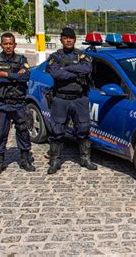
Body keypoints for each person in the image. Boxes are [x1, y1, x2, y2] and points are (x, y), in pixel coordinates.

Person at [46, 27, 97, 174]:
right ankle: (55, 160)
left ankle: (85, 158)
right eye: (65, 37)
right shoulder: (54, 57)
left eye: (71, 38)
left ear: (75, 40)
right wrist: (74, 70)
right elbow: (57, 74)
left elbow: (86, 69)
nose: (68, 40)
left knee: (83, 129)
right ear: (61, 39)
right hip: (61, 99)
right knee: (57, 131)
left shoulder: (82, 55)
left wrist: (66, 67)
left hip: (79, 99)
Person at [0, 32, 35, 175]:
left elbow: (26, 76)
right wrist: (16, 76)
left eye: (11, 44)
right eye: (5, 44)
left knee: (23, 131)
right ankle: (0, 162)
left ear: (15, 45)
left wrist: (7, 75)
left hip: (18, 103)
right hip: (1, 104)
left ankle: (24, 159)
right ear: (1, 45)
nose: (8, 46)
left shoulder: (22, 59)